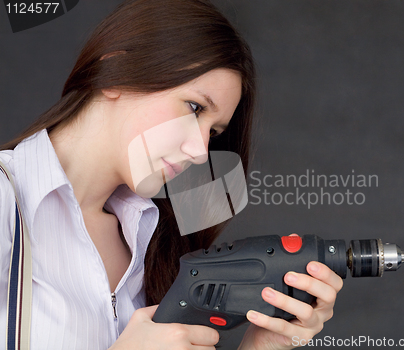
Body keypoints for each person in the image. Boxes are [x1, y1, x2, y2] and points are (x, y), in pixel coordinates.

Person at [0, 0, 343, 349]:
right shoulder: (6, 201)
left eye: (213, 132)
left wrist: (262, 345)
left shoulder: (155, 239)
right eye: (194, 108)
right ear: (116, 70)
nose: (200, 151)